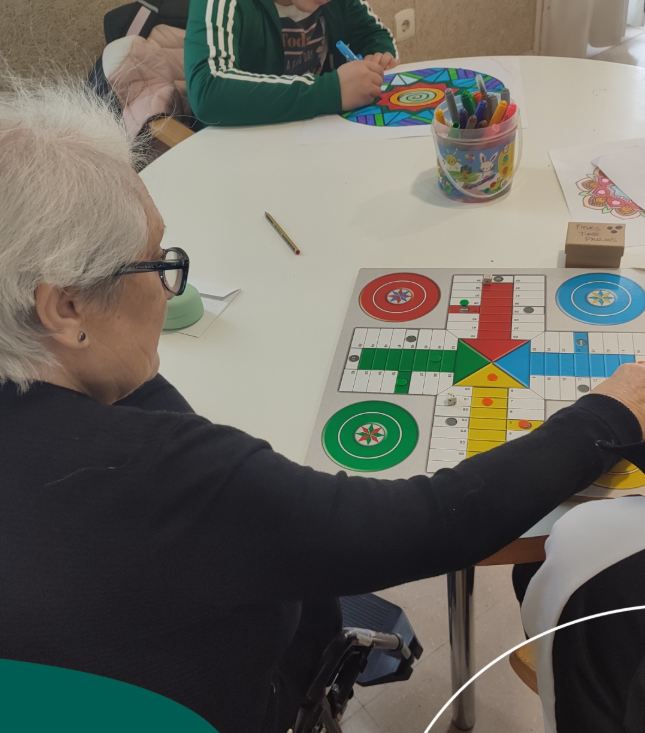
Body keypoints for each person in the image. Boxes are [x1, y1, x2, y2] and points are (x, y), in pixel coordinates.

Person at [2, 78, 645, 733]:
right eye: (155, 264)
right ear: (66, 306)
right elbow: (430, 523)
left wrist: (124, 366)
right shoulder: (174, 480)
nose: (169, 290)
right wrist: (608, 414)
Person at [184, 0, 397, 126]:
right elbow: (207, 90)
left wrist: (377, 56)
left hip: (319, 135)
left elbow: (374, 34)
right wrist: (332, 91)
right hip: (246, 149)